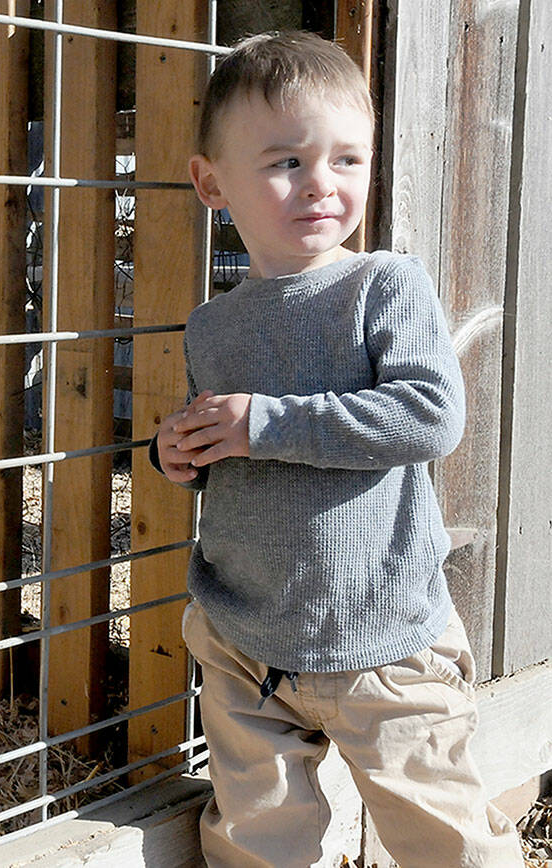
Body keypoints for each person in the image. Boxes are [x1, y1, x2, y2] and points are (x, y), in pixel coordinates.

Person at [149, 30, 526, 867]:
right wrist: (178, 452)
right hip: (246, 643)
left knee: (448, 839)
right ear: (212, 183)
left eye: (347, 160)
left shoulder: (382, 285)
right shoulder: (214, 325)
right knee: (254, 841)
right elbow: (226, 441)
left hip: (384, 642)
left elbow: (428, 415)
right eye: (286, 161)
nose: (322, 182)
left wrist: (265, 423)